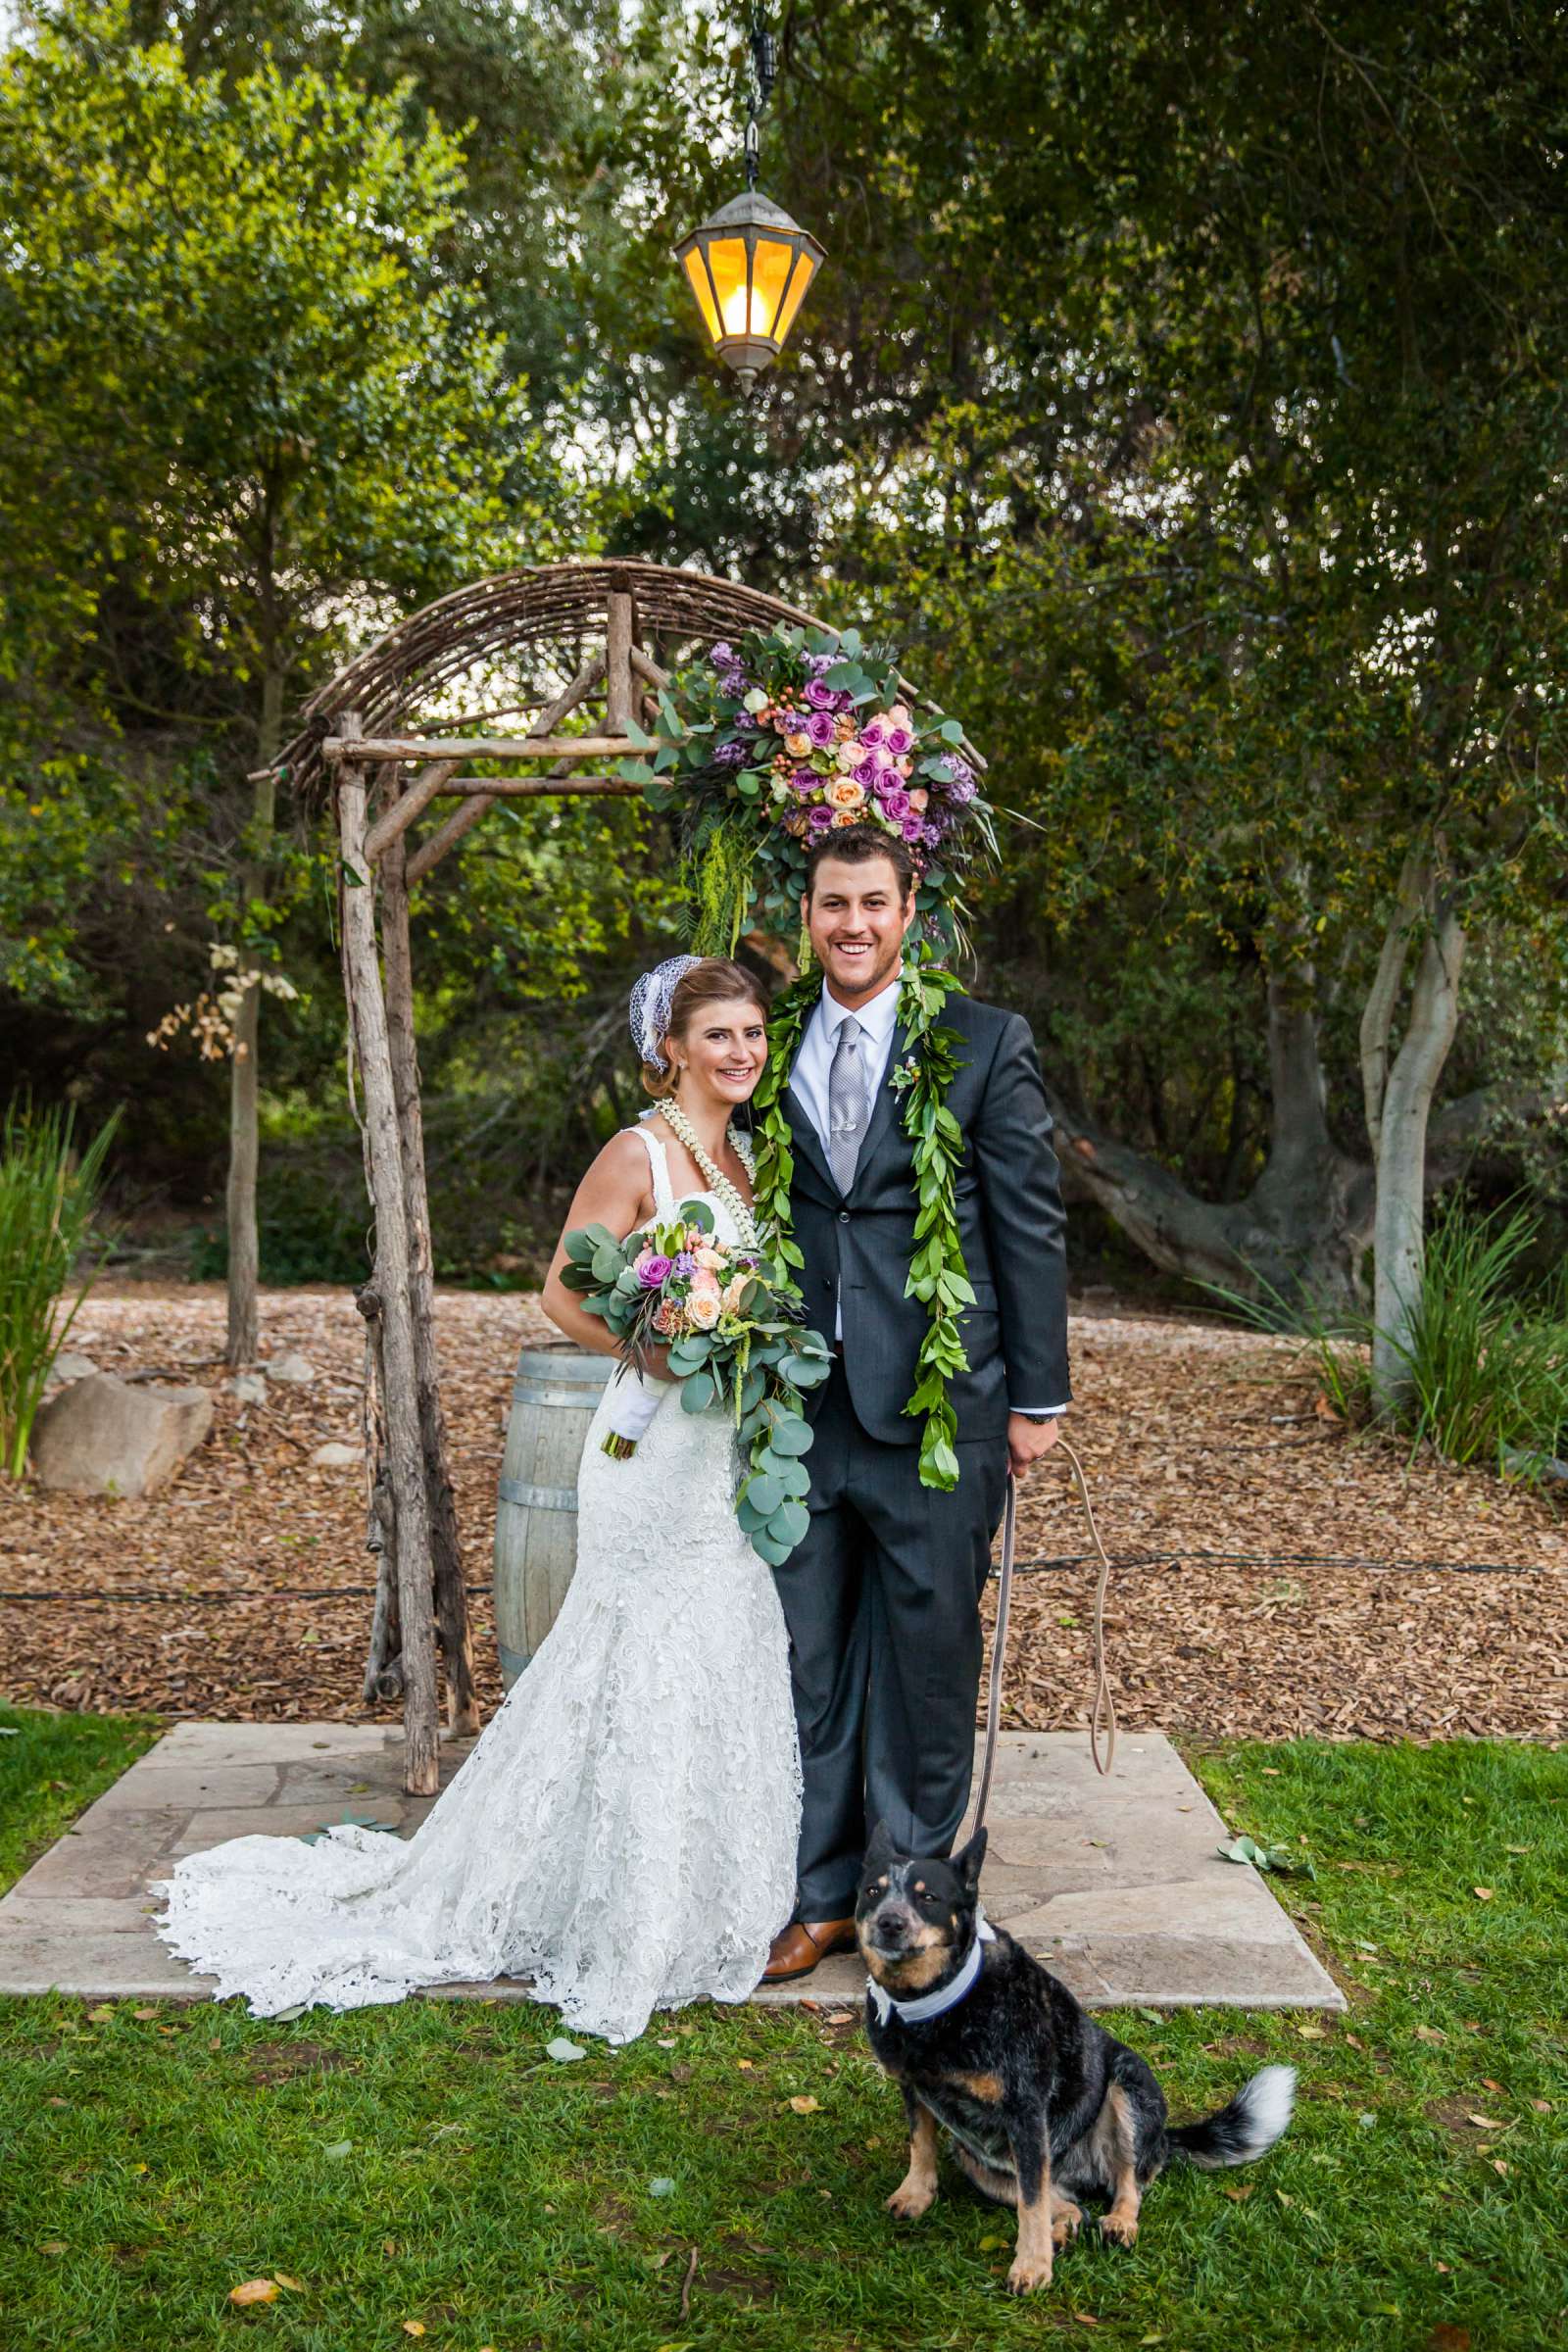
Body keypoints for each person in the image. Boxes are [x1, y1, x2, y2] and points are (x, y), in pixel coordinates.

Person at [153, 956, 802, 2044]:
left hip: (727, 1458)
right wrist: (654, 1354)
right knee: (633, 1653)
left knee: (721, 1644)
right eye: (720, 1036)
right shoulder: (637, 1152)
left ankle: (702, 1894)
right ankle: (609, 1909)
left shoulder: (744, 1159)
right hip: (649, 1459)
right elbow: (559, 1292)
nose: (741, 1052)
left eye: (752, 1034)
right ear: (671, 1049)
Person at [761, 826, 1072, 1982]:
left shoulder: (983, 1042)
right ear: (807, 912)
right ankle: (822, 1894)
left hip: (944, 1403)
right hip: (797, 1408)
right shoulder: (768, 1034)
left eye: (872, 903)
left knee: (929, 1658)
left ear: (908, 910)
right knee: (811, 1659)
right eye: (832, 903)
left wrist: (1036, 1396)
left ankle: (910, 1905)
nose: (851, 923)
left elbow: (1028, 1225)